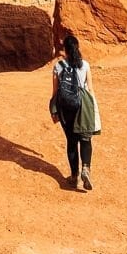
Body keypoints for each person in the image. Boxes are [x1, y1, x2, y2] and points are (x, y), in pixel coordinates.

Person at [51, 34, 95, 190]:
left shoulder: (58, 66)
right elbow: (90, 89)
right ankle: (86, 169)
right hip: (82, 105)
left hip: (65, 108)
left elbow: (55, 92)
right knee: (85, 138)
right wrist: (93, 108)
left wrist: (54, 110)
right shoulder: (85, 65)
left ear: (65, 50)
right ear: (77, 48)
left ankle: (74, 176)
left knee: (71, 140)